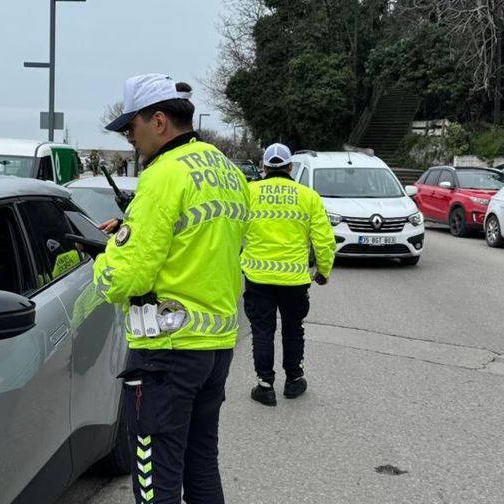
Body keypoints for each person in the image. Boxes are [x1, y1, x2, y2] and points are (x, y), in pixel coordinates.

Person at [94, 73, 249, 504]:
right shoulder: (227, 170)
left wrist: (107, 254)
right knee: (201, 466)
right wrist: (135, 232)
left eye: (131, 126)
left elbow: (125, 279)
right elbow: (205, 242)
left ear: (159, 121)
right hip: (215, 347)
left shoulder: (163, 176)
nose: (129, 137)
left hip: (166, 352)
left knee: (155, 481)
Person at [242, 143, 336, 406]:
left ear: (263, 167)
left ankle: (265, 386)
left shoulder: (248, 193)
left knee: (262, 331)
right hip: (294, 280)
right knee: (294, 330)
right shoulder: (308, 196)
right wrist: (323, 271)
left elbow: (234, 232)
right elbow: (324, 239)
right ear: (290, 167)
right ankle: (294, 381)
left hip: (257, 277)